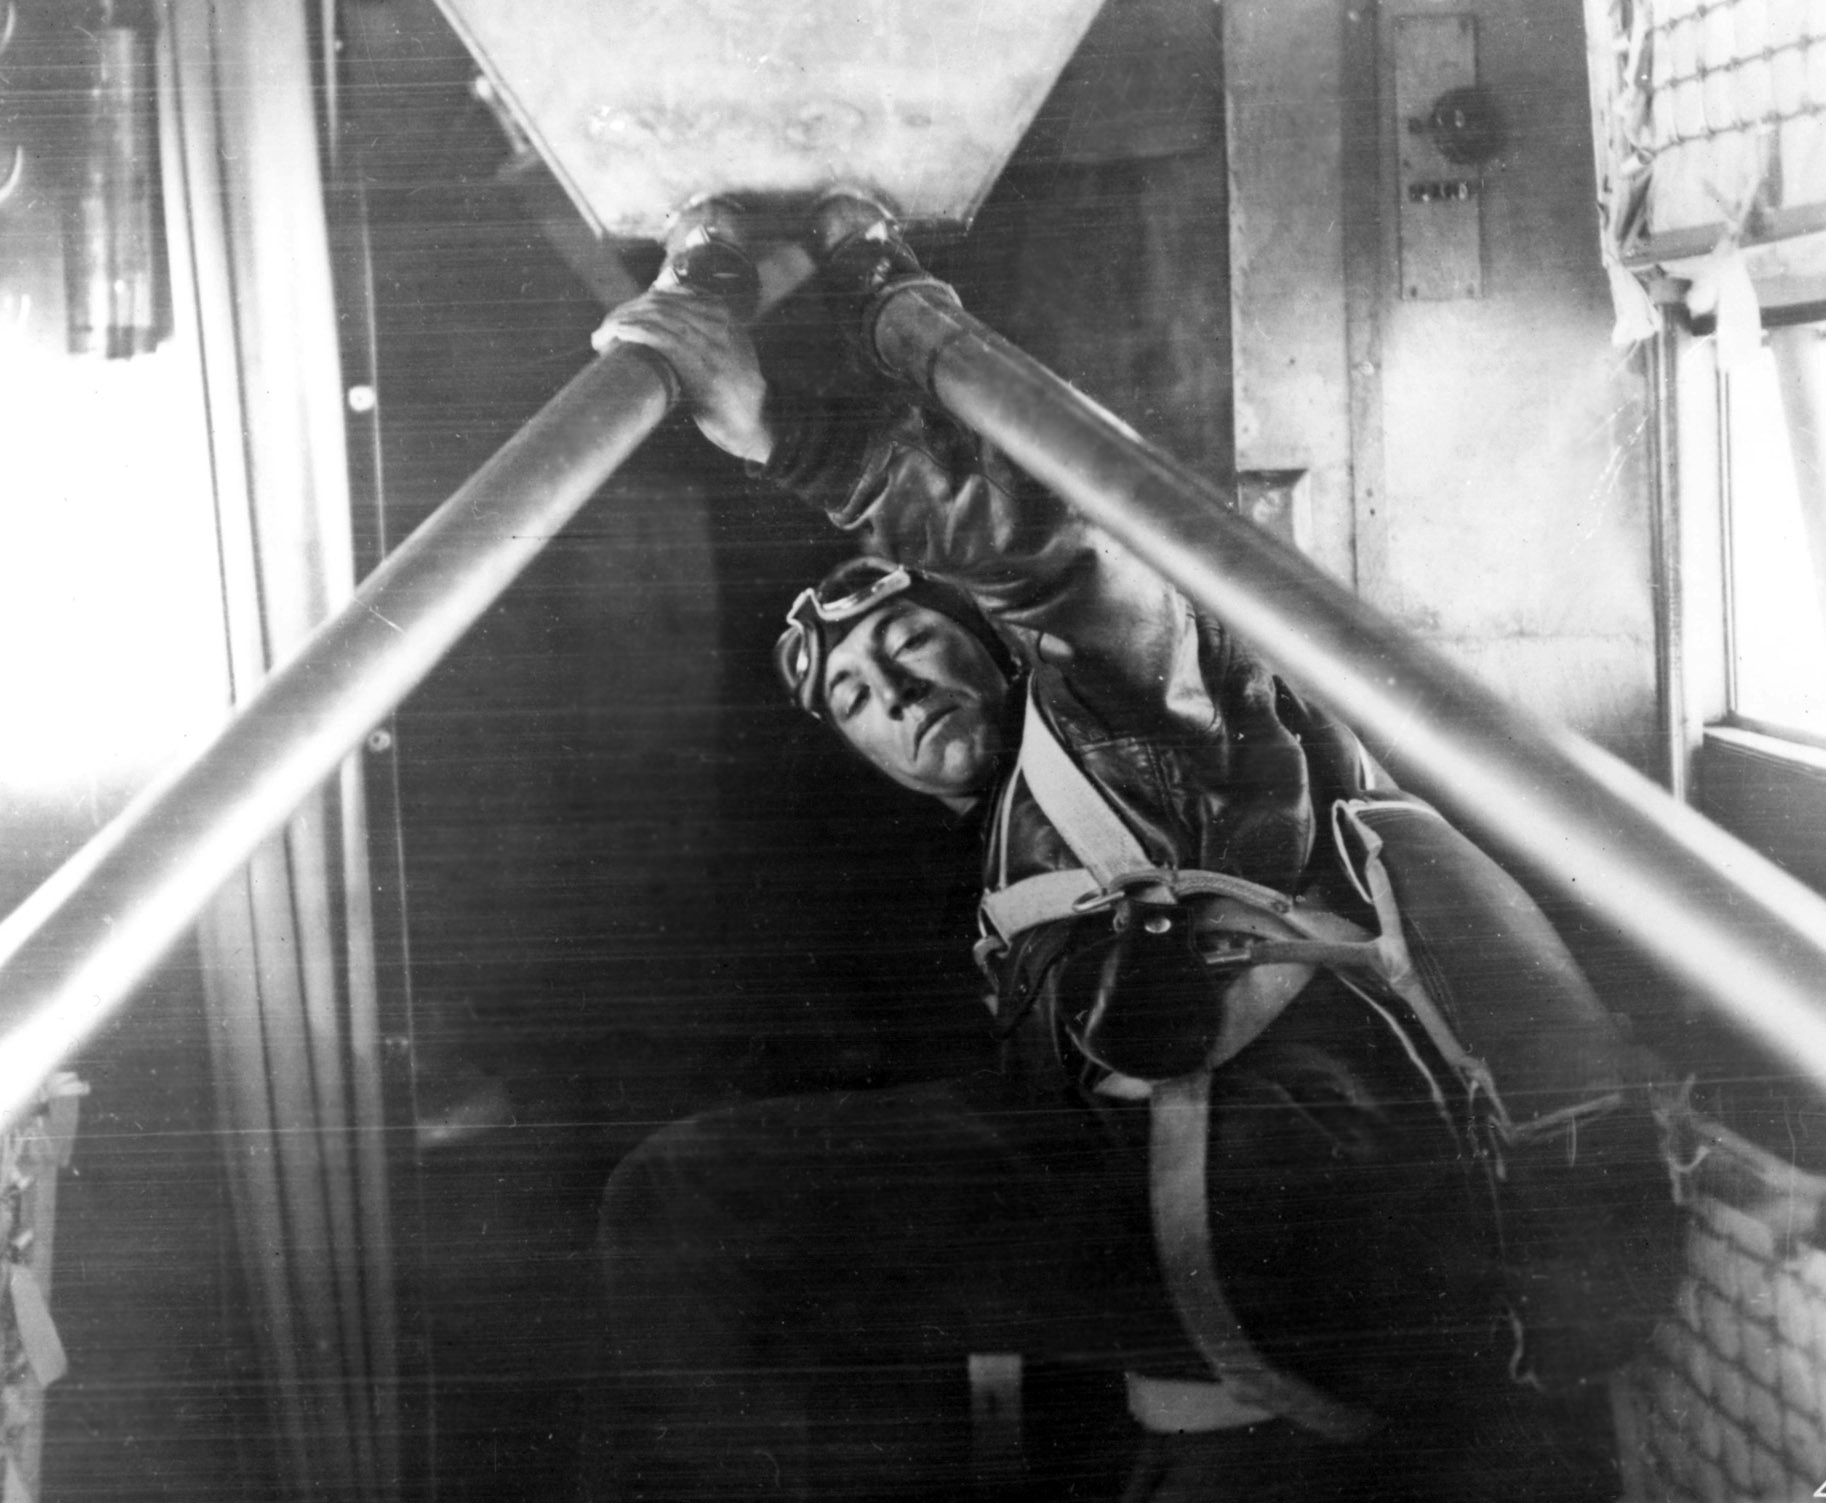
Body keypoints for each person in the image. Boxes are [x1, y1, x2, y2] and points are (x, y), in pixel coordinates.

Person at [584, 240, 1679, 1502]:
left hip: (1308, 1196)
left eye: (906, 639)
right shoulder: (1013, 866)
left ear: (988, 645)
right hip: (1278, 1246)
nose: (890, 689)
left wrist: (785, 432)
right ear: (868, 759)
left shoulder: (1128, 717)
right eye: (853, 698)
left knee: (689, 1208)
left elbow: (1058, 559)